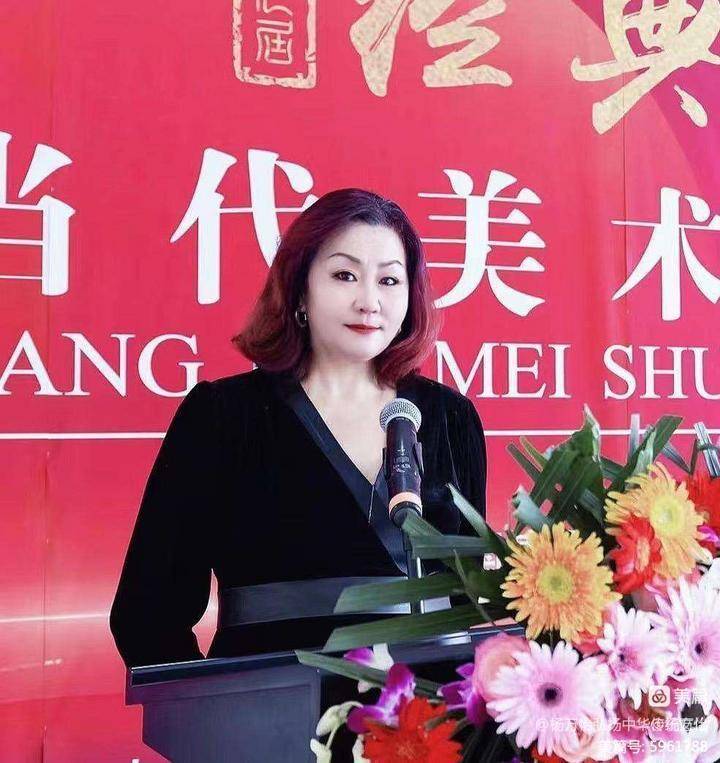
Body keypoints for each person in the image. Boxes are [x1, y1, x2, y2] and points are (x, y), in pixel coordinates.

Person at [109, 188, 487, 670]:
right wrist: (222, 706)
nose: (369, 301)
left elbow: (468, 598)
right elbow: (147, 615)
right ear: (299, 289)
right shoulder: (223, 416)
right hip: (272, 707)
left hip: (426, 708)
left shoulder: (451, 418)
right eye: (344, 275)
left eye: (389, 280)